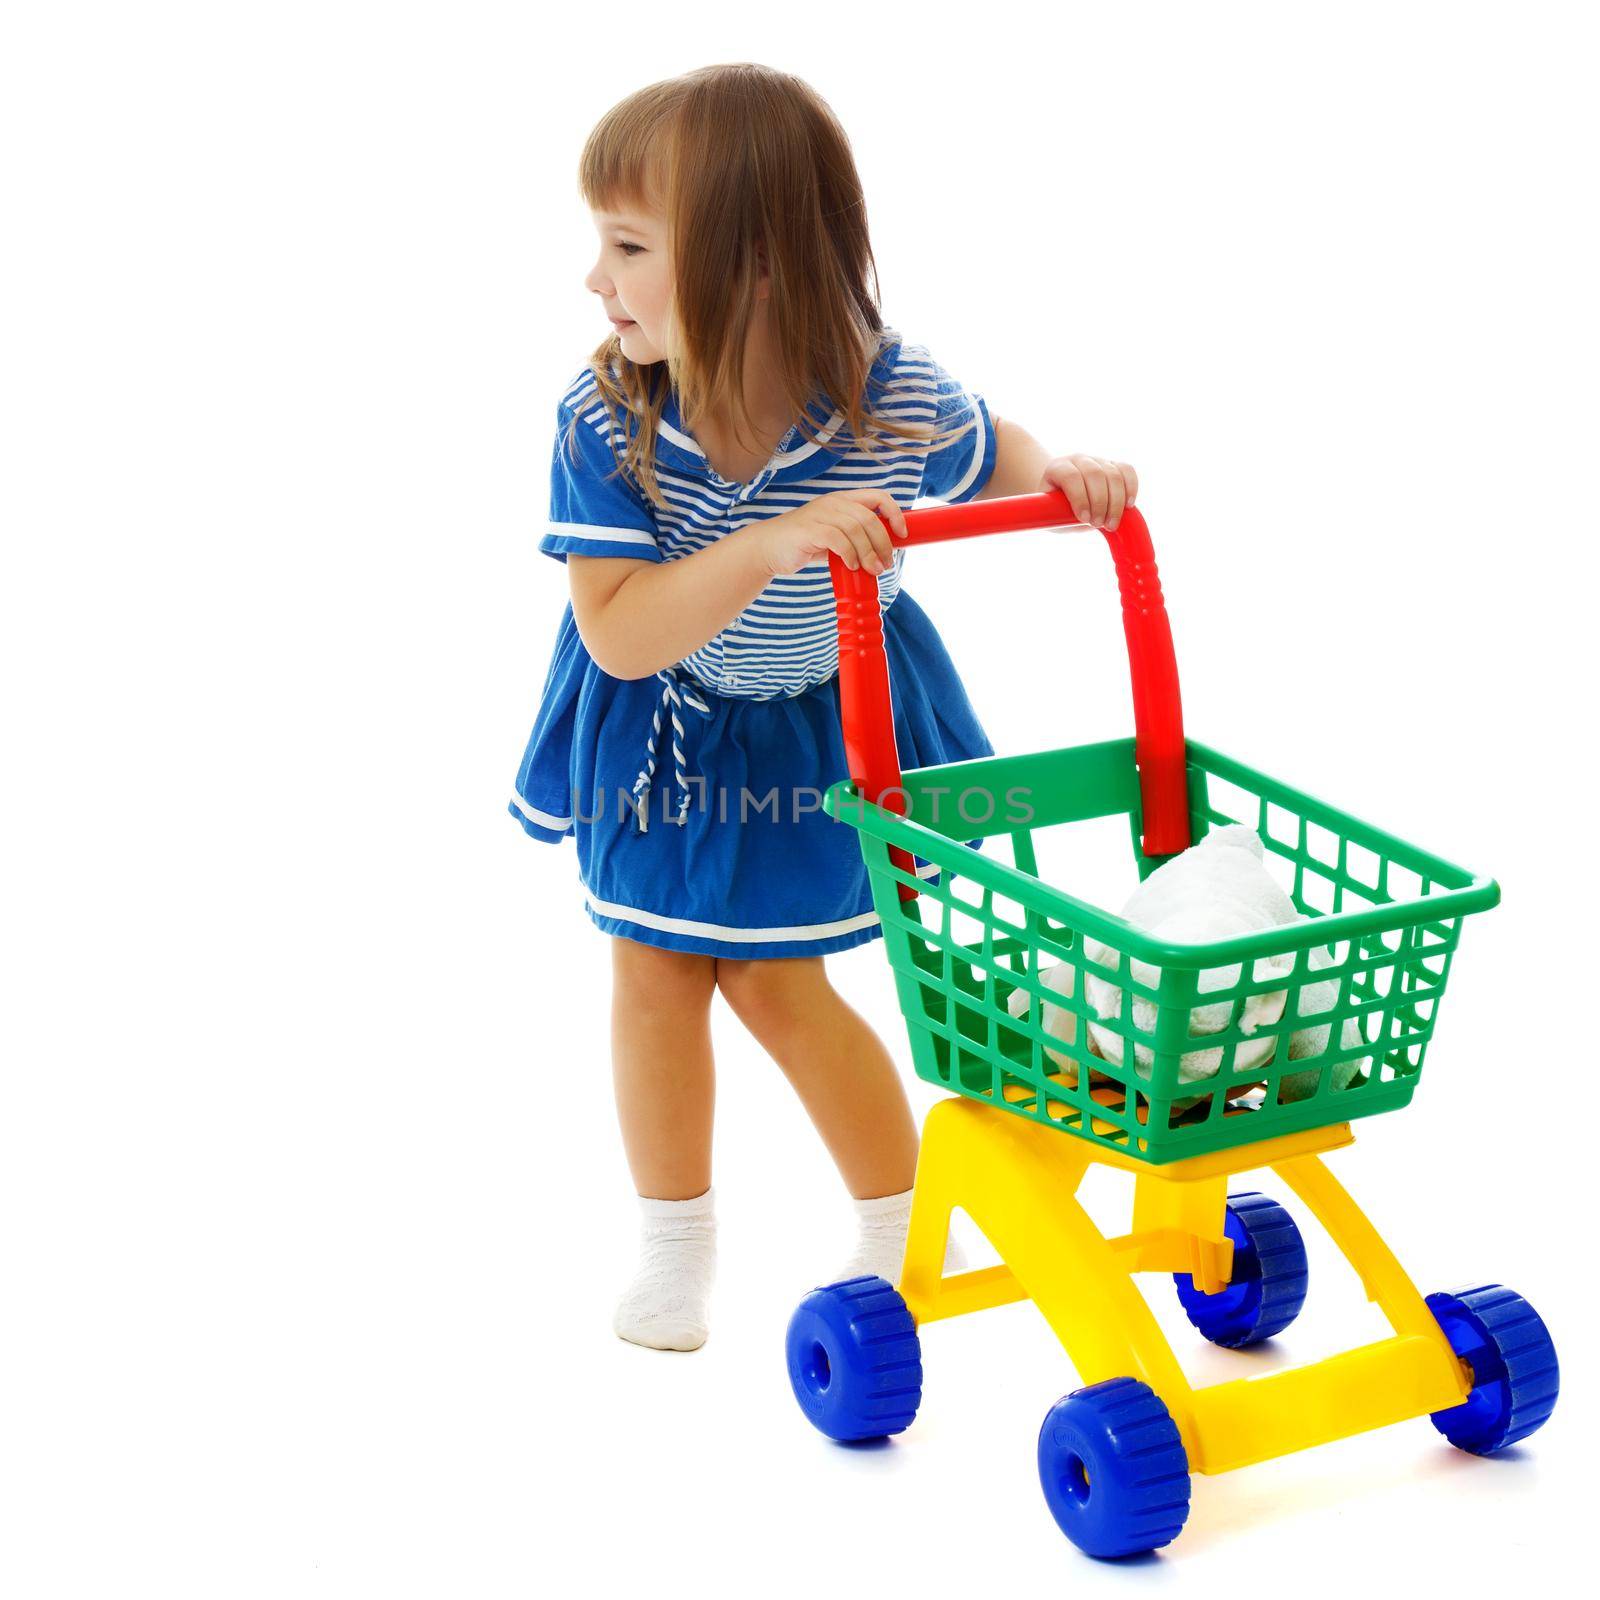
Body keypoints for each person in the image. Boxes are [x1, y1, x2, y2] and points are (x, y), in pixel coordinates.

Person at [509, 64, 1138, 1351]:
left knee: (780, 977)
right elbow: (621, 638)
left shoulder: (883, 389)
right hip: (669, 717)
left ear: (750, 266)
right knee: (657, 969)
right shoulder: (610, 420)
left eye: (628, 247)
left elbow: (990, 450)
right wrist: (767, 544)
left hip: (821, 703)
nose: (596, 280)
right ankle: (675, 1244)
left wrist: (1060, 471)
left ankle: (900, 1217)